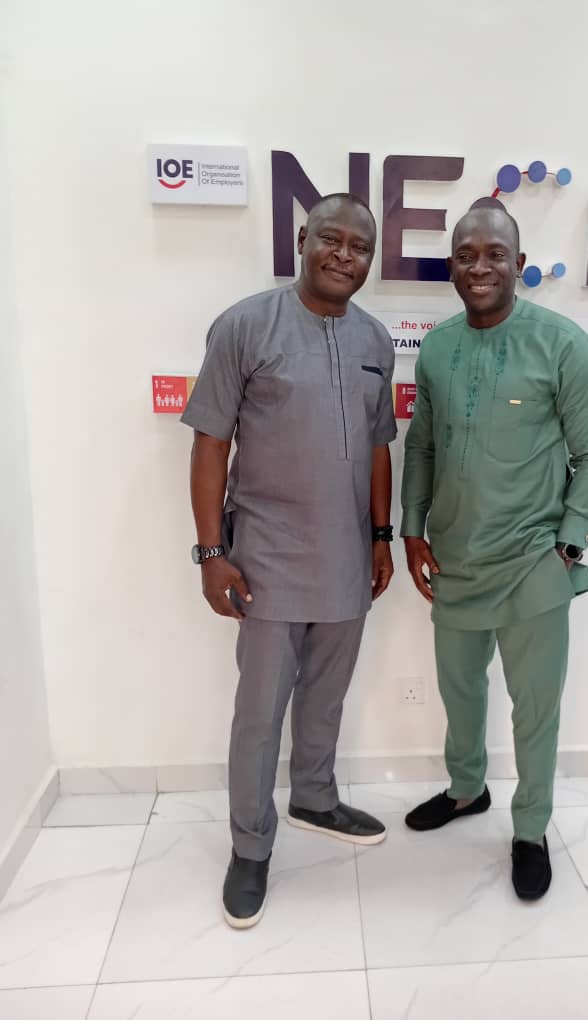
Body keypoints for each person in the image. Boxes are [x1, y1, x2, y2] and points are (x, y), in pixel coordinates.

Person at [181, 194, 397, 929]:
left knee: (326, 696)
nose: (344, 255)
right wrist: (212, 553)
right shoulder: (246, 325)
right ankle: (250, 847)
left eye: (359, 247)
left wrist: (380, 536)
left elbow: (378, 446)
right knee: (259, 713)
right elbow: (210, 442)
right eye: (331, 239)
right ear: (302, 238)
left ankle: (314, 797)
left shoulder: (375, 339)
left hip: (347, 557)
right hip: (266, 558)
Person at [401, 204, 588, 901]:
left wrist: (569, 543)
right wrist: (411, 528)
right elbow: (421, 446)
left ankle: (530, 830)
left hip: (532, 564)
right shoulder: (437, 348)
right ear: (452, 266)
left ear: (518, 264)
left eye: (495, 254)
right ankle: (467, 789)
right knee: (460, 691)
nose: (480, 267)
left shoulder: (563, 344)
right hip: (455, 561)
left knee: (535, 709)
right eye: (466, 255)